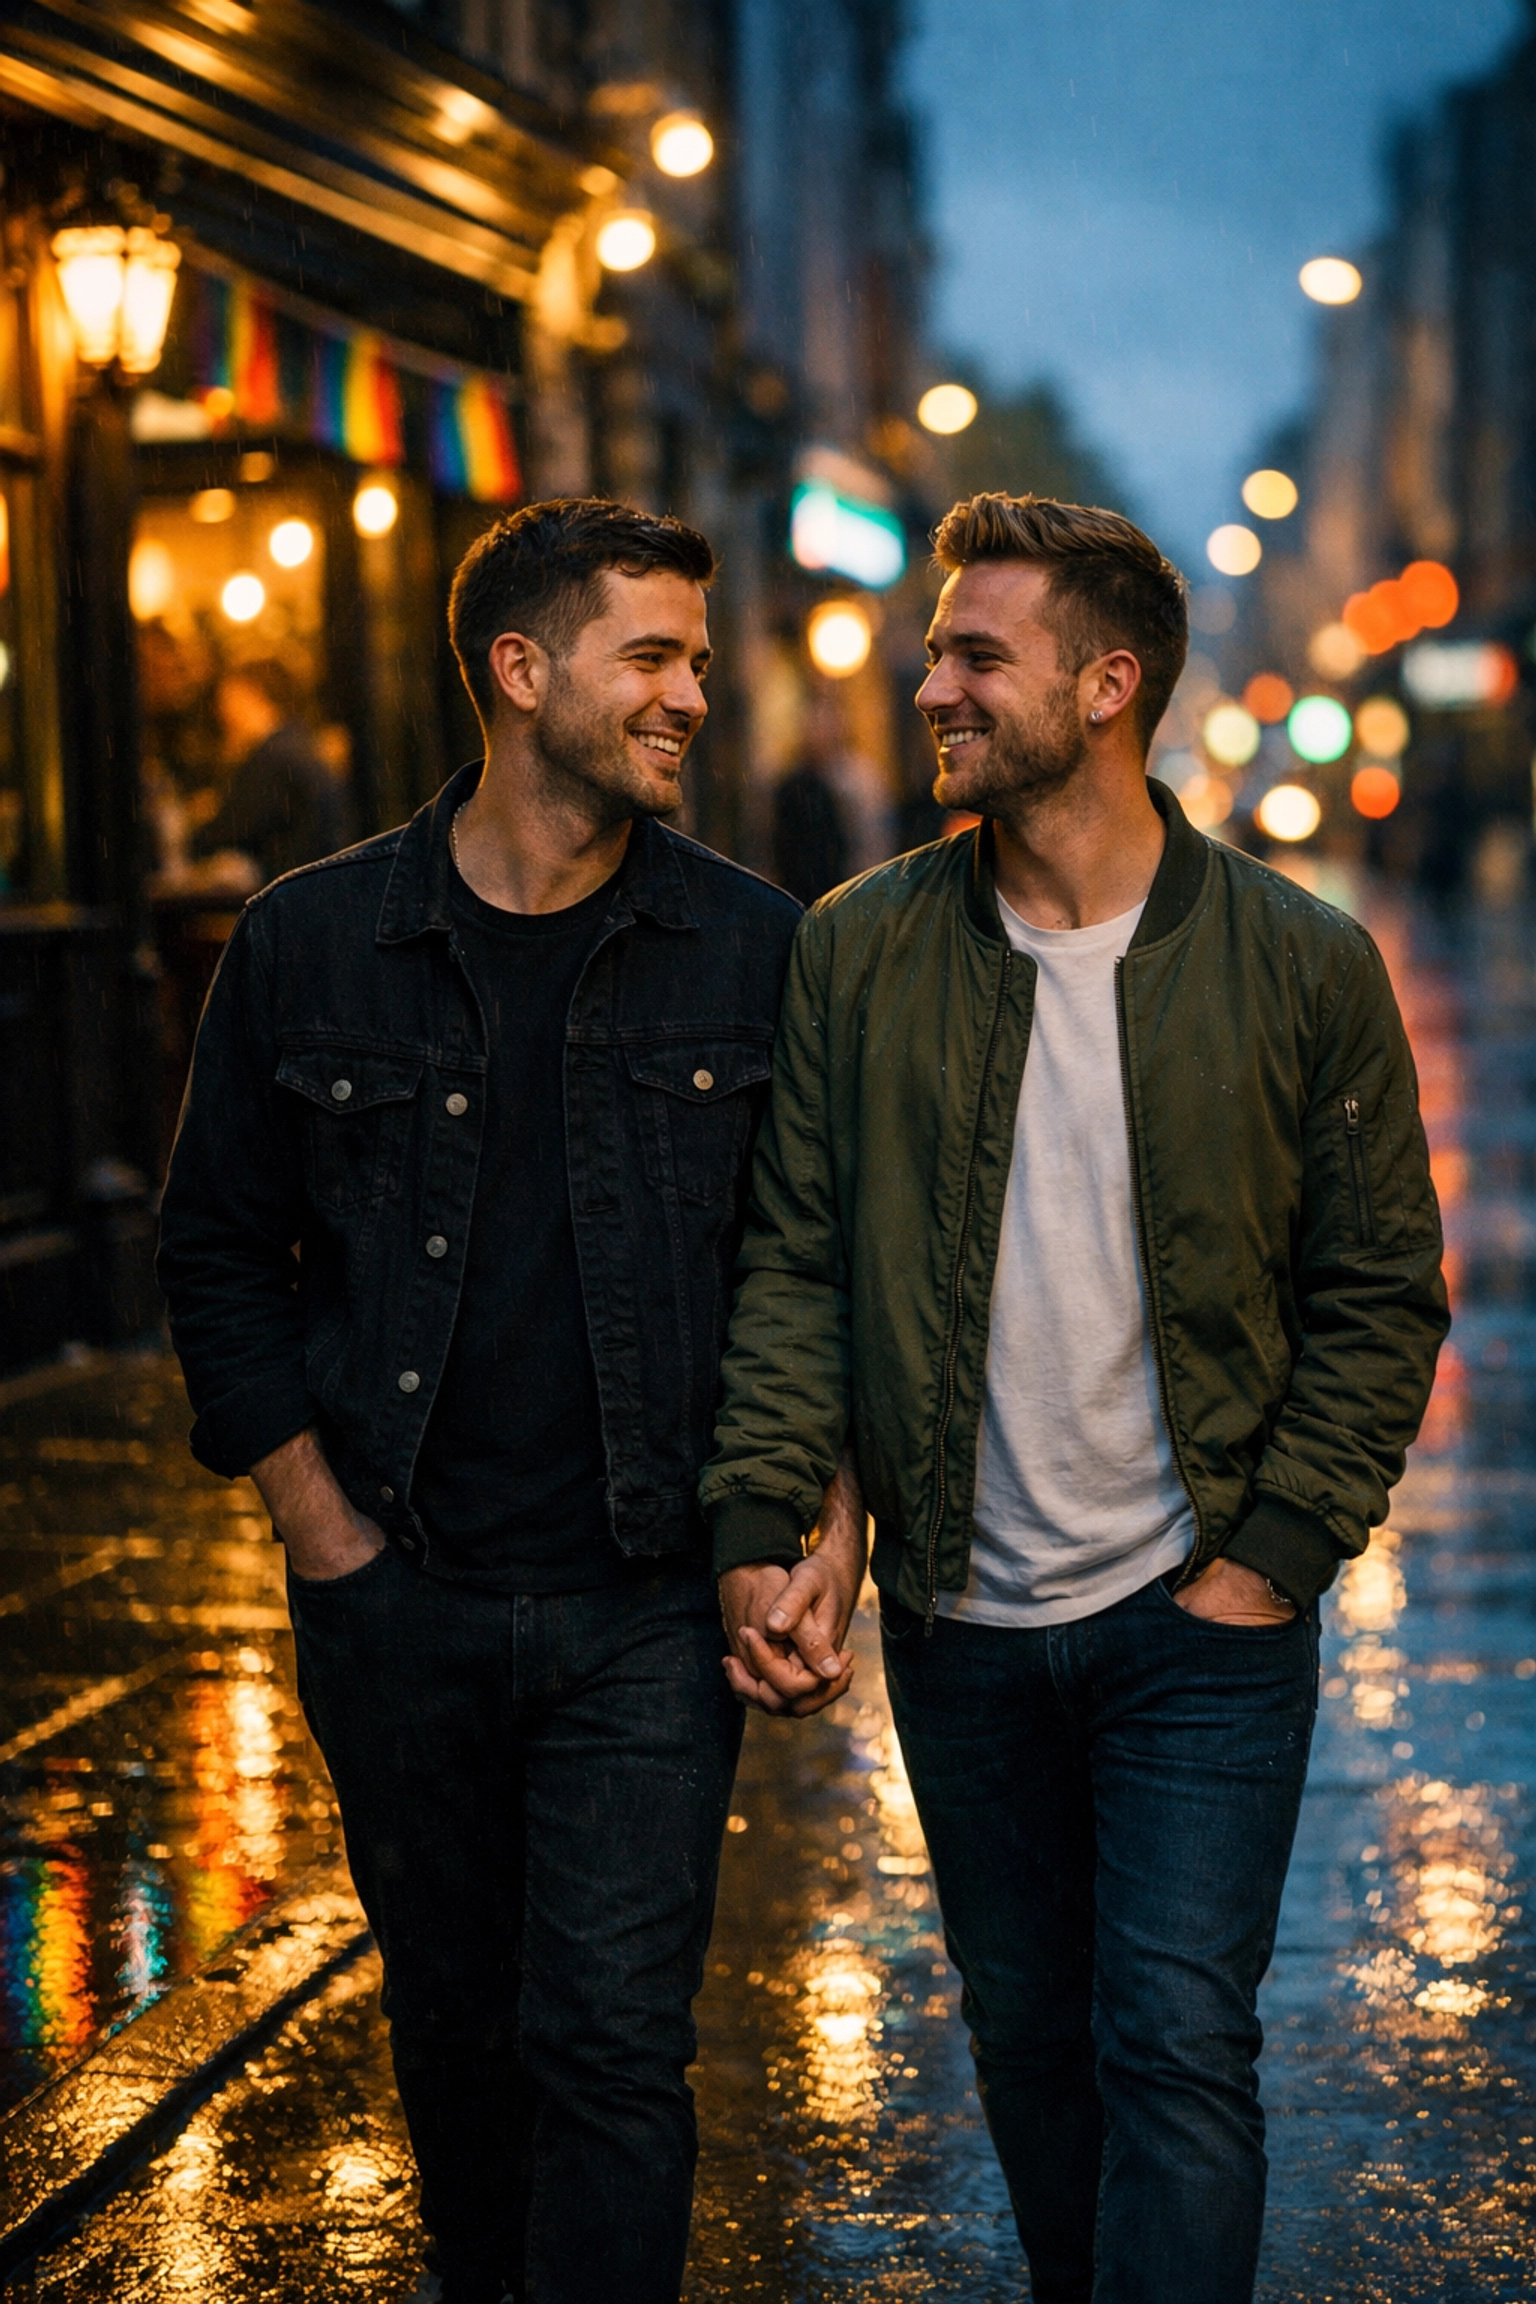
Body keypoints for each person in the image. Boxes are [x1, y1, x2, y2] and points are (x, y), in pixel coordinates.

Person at [703, 494, 1448, 2304]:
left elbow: (1377, 1293)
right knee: (1030, 2051)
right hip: (958, 1618)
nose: (928, 678)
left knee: (1176, 2048)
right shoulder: (857, 947)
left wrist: (1267, 1560)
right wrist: (767, 1519)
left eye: (975, 652)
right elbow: (798, 1260)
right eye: (937, 646)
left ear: (1105, 687)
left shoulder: (1298, 963)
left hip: (1201, 1617)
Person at [156, 499, 829, 2304]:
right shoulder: (310, 943)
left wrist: (801, 1526)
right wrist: (328, 1529)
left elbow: (809, 1273)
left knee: (611, 2043)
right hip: (404, 1593)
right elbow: (216, 1248)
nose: (694, 691)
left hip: (641, 1599)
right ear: (521, 672)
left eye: (698, 655)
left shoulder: (755, 948)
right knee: (459, 2044)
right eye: (656, 655)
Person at [186, 658, 350, 890]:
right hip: (318, 886)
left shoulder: (272, 757)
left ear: (251, 695)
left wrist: (196, 826)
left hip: (289, 892)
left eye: (227, 699)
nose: (221, 712)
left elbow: (232, 830)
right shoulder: (298, 744)